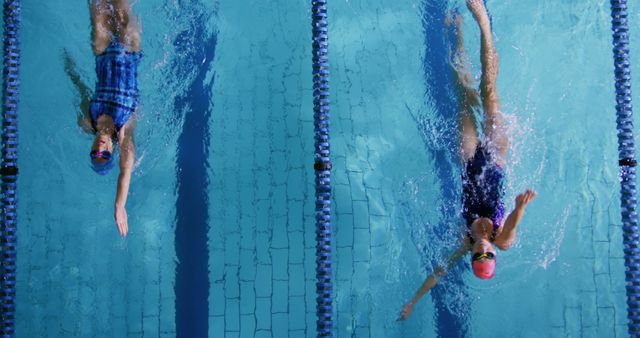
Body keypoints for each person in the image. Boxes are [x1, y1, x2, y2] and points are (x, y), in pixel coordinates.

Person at [400, 0, 537, 320]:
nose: (484, 248)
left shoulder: (465, 240)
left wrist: (413, 302)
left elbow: (439, 271)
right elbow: (513, 226)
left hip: (470, 160)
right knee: (489, 90)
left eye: (479, 254)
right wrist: (519, 208)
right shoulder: (500, 239)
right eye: (487, 254)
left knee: (463, 94)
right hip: (496, 157)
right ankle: (483, 24)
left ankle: (458, 33)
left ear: (473, 255)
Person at [65, 0, 142, 237]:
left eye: (94, 154)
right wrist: (120, 205)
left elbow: (83, 91)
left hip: (103, 56)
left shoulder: (89, 119)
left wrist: (72, 72)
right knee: (121, 11)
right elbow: (126, 170)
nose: (100, 149)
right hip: (129, 55)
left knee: (98, 10)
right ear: (111, 150)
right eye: (105, 155)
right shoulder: (124, 131)